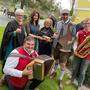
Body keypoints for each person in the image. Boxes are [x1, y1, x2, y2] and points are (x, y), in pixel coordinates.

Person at [0, 9, 26, 86]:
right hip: (11, 46)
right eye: (19, 15)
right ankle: (3, 78)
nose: (21, 17)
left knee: (15, 62)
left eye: (22, 15)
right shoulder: (11, 23)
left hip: (19, 47)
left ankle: (10, 78)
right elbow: (6, 34)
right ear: (16, 15)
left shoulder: (22, 24)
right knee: (8, 61)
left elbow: (23, 35)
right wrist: (14, 32)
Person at [52, 9, 76, 89]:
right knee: (56, 60)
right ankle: (54, 72)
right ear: (61, 15)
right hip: (57, 45)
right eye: (63, 14)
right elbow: (56, 33)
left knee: (62, 64)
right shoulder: (58, 23)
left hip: (65, 47)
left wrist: (69, 42)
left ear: (68, 15)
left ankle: (60, 79)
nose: (65, 16)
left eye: (66, 14)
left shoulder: (72, 24)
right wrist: (55, 35)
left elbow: (74, 36)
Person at [71, 18, 90, 90]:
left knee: (82, 71)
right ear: (84, 24)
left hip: (87, 56)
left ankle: (79, 85)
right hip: (77, 53)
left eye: (89, 23)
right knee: (74, 68)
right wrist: (75, 49)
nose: (88, 25)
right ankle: (71, 80)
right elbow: (75, 42)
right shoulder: (79, 32)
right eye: (87, 23)